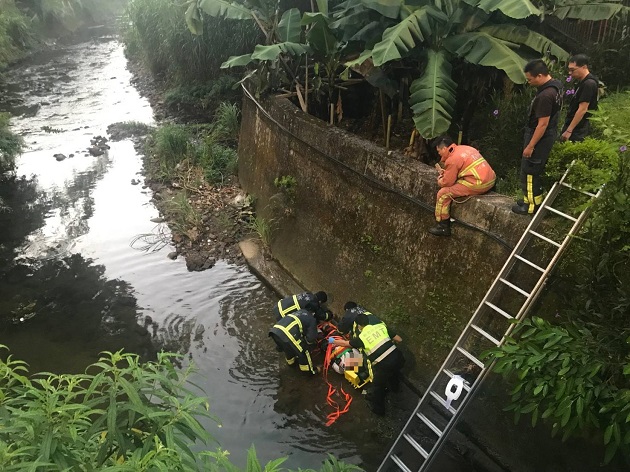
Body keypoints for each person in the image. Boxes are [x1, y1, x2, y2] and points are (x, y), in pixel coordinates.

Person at [512, 59, 562, 216]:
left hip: (540, 136)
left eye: (530, 79)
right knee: (531, 169)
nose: (529, 82)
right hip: (547, 134)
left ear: (539, 75)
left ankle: (531, 207)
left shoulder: (546, 95)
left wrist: (531, 145)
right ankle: (529, 199)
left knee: (530, 170)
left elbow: (542, 124)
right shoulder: (556, 85)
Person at [330, 313, 404, 416]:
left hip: (384, 365)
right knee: (394, 372)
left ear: (359, 326)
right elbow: (399, 339)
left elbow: (347, 344)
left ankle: (379, 410)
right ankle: (395, 388)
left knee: (378, 386)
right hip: (399, 358)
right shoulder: (381, 327)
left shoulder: (362, 338)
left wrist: (333, 341)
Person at [429, 136, 496, 236]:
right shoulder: (465, 148)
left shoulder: (452, 159)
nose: (439, 153)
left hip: (479, 183)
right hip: (491, 179)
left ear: (444, 148)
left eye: (439, 151)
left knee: (443, 194)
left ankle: (443, 226)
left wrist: (440, 180)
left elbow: (447, 183)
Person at [269, 309, 320, 375]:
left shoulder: (301, 312)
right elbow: (310, 339)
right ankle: (309, 371)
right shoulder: (312, 320)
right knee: (304, 350)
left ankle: (291, 363)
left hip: (275, 331)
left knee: (287, 347)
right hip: (288, 334)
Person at [561, 54, 598, 143]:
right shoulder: (582, 82)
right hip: (573, 125)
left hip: (578, 128)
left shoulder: (589, 84)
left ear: (584, 67)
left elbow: (582, 109)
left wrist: (569, 130)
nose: (570, 73)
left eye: (572, 70)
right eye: (569, 70)